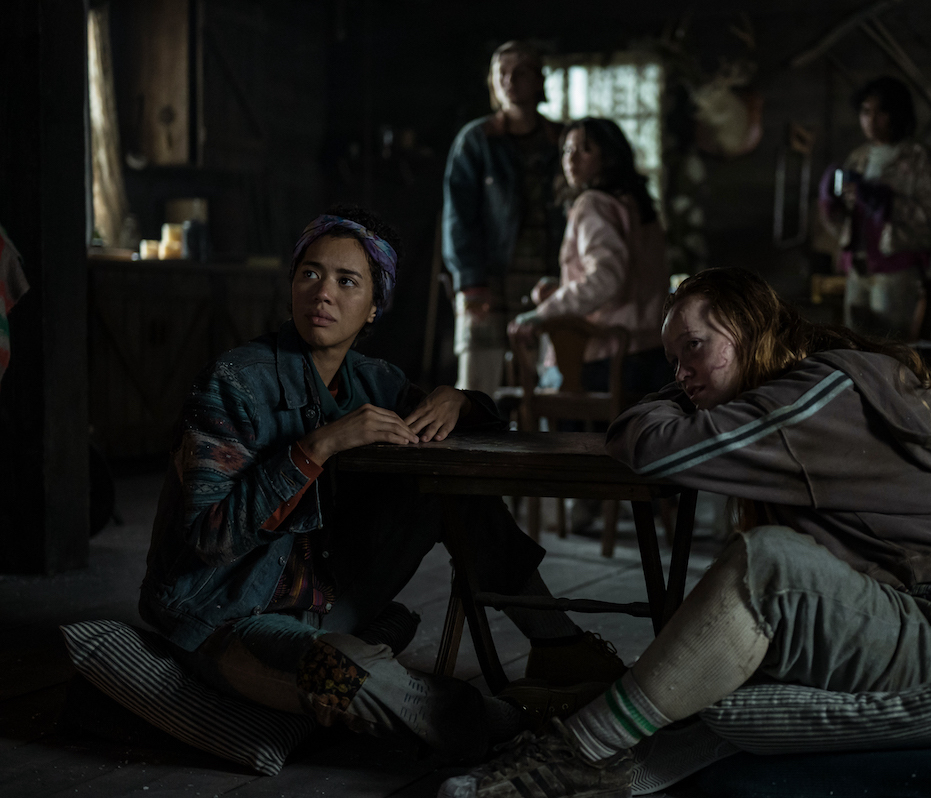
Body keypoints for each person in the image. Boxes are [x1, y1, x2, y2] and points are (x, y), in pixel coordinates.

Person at [439, 267, 931, 797]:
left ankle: (580, 753)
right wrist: (697, 378)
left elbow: (649, 444)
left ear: (749, 329)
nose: (682, 372)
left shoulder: (824, 393)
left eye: (694, 347)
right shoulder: (806, 390)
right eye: (673, 360)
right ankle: (592, 749)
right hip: (905, 631)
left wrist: (673, 397)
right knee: (703, 682)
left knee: (768, 561)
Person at [140, 207, 624, 761]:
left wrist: (460, 401)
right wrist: (318, 445)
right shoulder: (233, 383)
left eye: (347, 281)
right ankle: (511, 718)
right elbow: (209, 538)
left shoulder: (375, 380)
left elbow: (474, 423)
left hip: (325, 596)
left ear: (373, 308)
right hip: (226, 613)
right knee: (341, 674)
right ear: (292, 285)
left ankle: (557, 644)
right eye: (310, 274)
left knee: (448, 493)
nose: (323, 292)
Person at [508, 117, 672, 397]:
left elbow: (605, 279)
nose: (571, 159)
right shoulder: (635, 204)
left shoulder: (593, 204)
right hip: (653, 350)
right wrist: (563, 287)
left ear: (609, 157)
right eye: (567, 150)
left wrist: (541, 315)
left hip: (607, 357)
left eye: (584, 149)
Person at [443, 40, 566, 397]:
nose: (510, 81)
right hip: (489, 275)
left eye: (521, 72)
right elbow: (458, 218)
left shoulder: (559, 140)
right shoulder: (476, 140)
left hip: (548, 275)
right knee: (477, 383)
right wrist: (470, 281)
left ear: (538, 80)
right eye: (502, 74)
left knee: (546, 384)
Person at [819, 76, 931, 340]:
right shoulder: (859, 158)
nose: (871, 120)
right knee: (857, 352)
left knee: (894, 351)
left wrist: (888, 203)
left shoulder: (917, 158)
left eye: (880, 112)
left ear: (897, 114)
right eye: (865, 112)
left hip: (898, 271)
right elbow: (843, 225)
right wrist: (831, 205)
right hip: (859, 270)